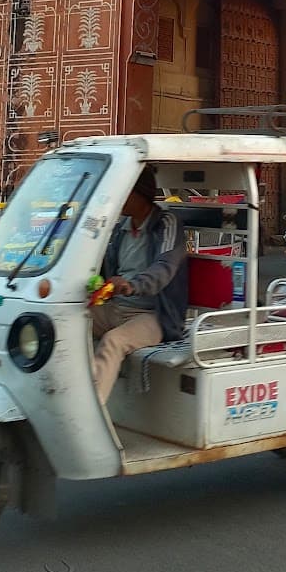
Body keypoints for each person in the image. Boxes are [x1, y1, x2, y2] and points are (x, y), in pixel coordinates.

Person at [91, 167, 188, 406]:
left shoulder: (167, 223)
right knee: (69, 324)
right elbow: (103, 266)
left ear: (140, 193)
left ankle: (91, 412)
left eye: (124, 192)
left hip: (155, 315)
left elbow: (164, 268)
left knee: (113, 341)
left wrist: (131, 286)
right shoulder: (120, 228)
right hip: (116, 307)